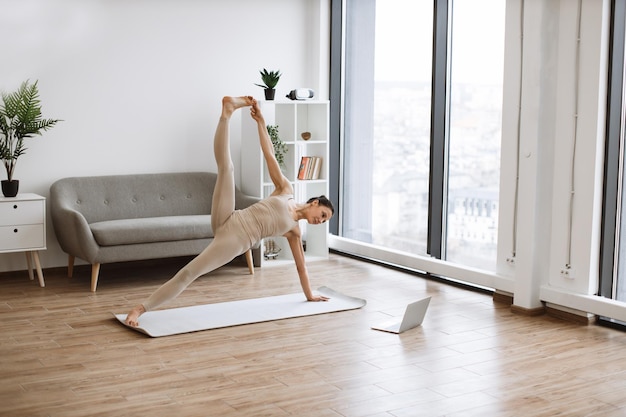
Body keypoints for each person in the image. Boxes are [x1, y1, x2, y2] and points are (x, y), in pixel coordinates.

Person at [125, 96, 335, 327]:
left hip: (235, 240)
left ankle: (140, 309)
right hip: (230, 217)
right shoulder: (285, 190)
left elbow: (301, 267)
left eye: (323, 222)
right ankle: (226, 113)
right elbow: (270, 155)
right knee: (227, 168)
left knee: (188, 273)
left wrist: (309, 295)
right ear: (315, 202)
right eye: (323, 215)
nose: (319, 221)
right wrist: (261, 122)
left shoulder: (293, 231)